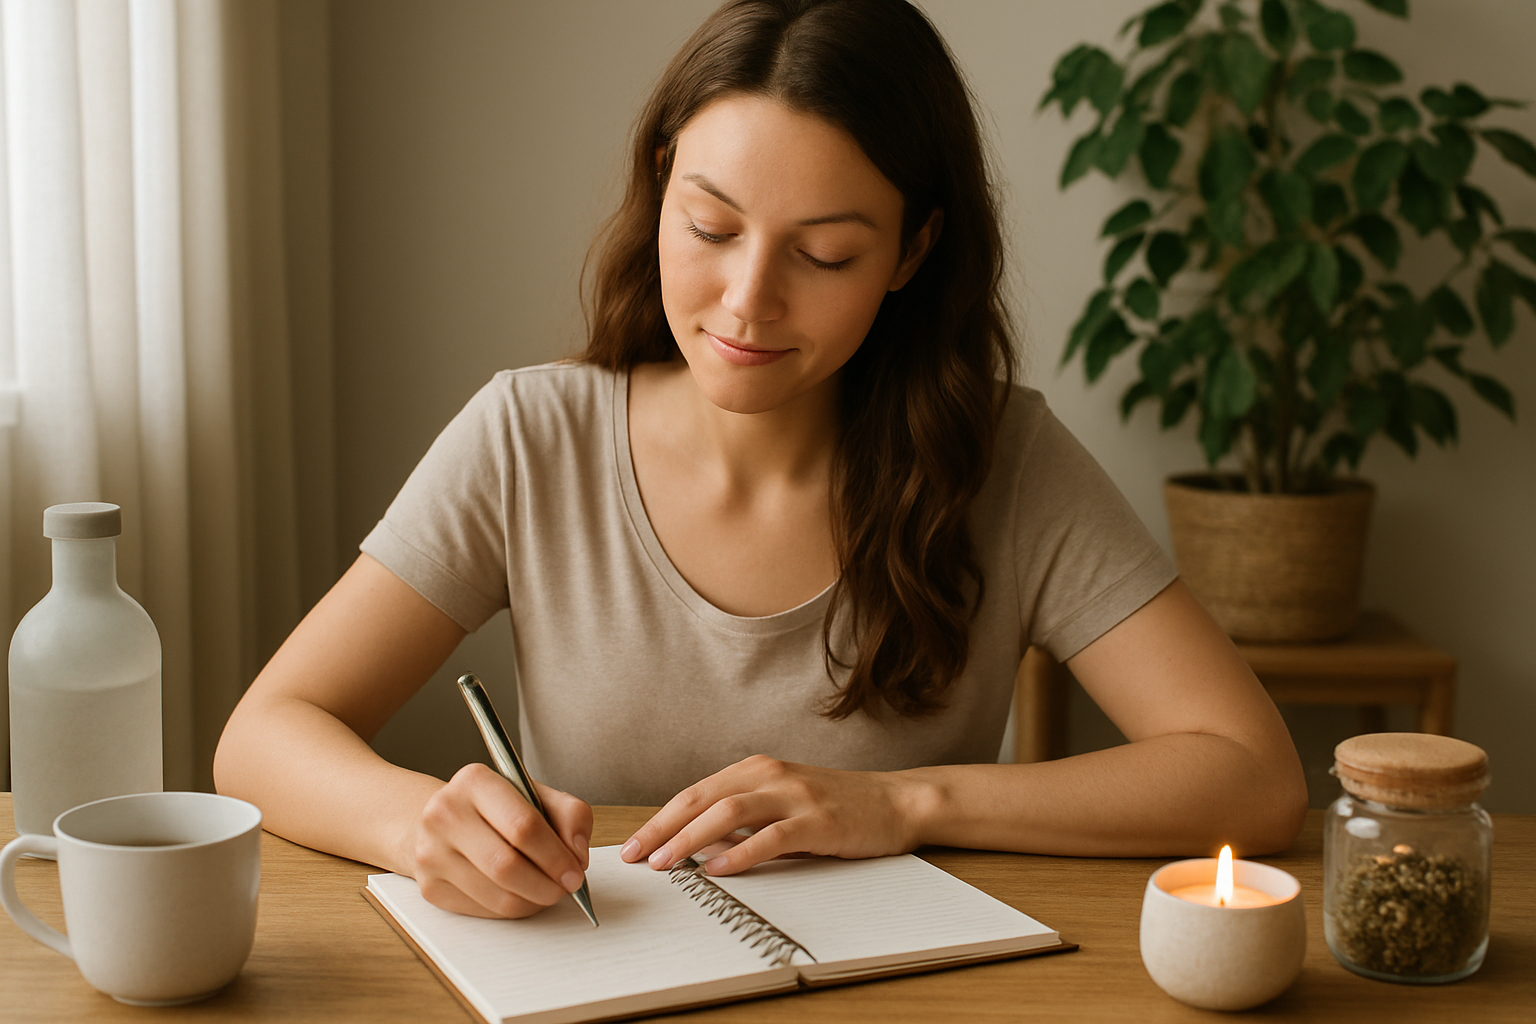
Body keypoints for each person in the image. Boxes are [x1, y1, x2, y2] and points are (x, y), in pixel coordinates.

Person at [214, 0, 1306, 921]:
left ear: (912, 252)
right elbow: (263, 737)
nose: (748, 302)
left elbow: (1253, 774)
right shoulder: (529, 437)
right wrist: (418, 826)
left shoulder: (1004, 459)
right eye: (711, 227)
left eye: (825, 253)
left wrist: (907, 805)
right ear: (661, 182)